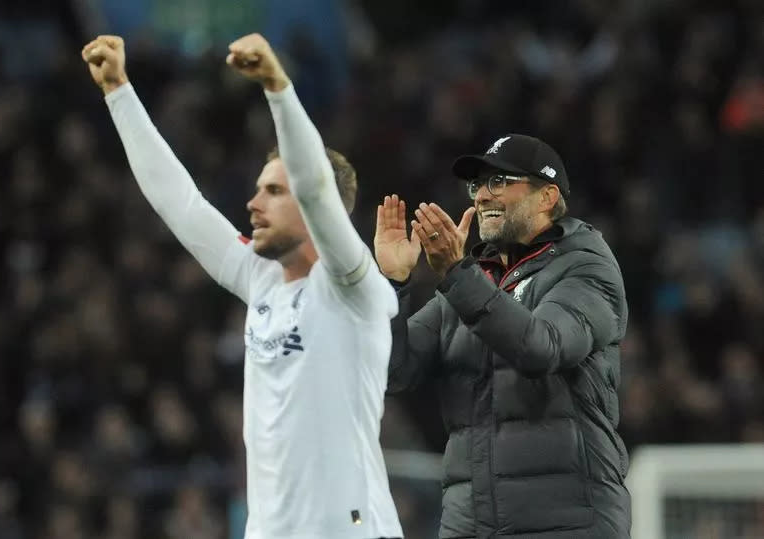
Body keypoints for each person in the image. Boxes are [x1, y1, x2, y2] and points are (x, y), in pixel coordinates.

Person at [81, 33, 403, 539]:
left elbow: (316, 187)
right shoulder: (261, 280)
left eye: (273, 191)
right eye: (257, 190)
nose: (253, 204)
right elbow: (179, 202)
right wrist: (119, 93)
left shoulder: (350, 287)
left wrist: (278, 88)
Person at [374, 134, 631, 537]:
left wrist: (458, 274)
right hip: (470, 524)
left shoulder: (585, 268)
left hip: (565, 522)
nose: (481, 197)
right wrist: (391, 284)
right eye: (477, 185)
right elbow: (391, 371)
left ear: (546, 197)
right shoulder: (474, 280)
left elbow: (540, 348)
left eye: (499, 182)